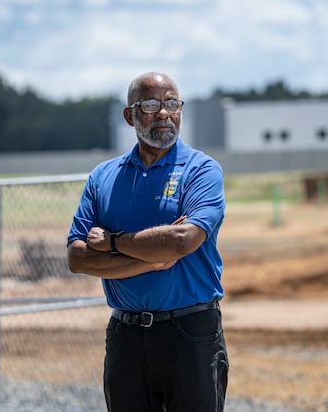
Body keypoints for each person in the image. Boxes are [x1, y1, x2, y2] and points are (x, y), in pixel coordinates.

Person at [67, 72, 228, 412]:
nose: (164, 114)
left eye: (172, 104)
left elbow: (182, 240)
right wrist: (152, 259)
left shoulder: (201, 170)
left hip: (191, 332)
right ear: (130, 115)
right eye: (152, 105)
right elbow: (78, 258)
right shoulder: (103, 177)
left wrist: (111, 242)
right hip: (125, 335)